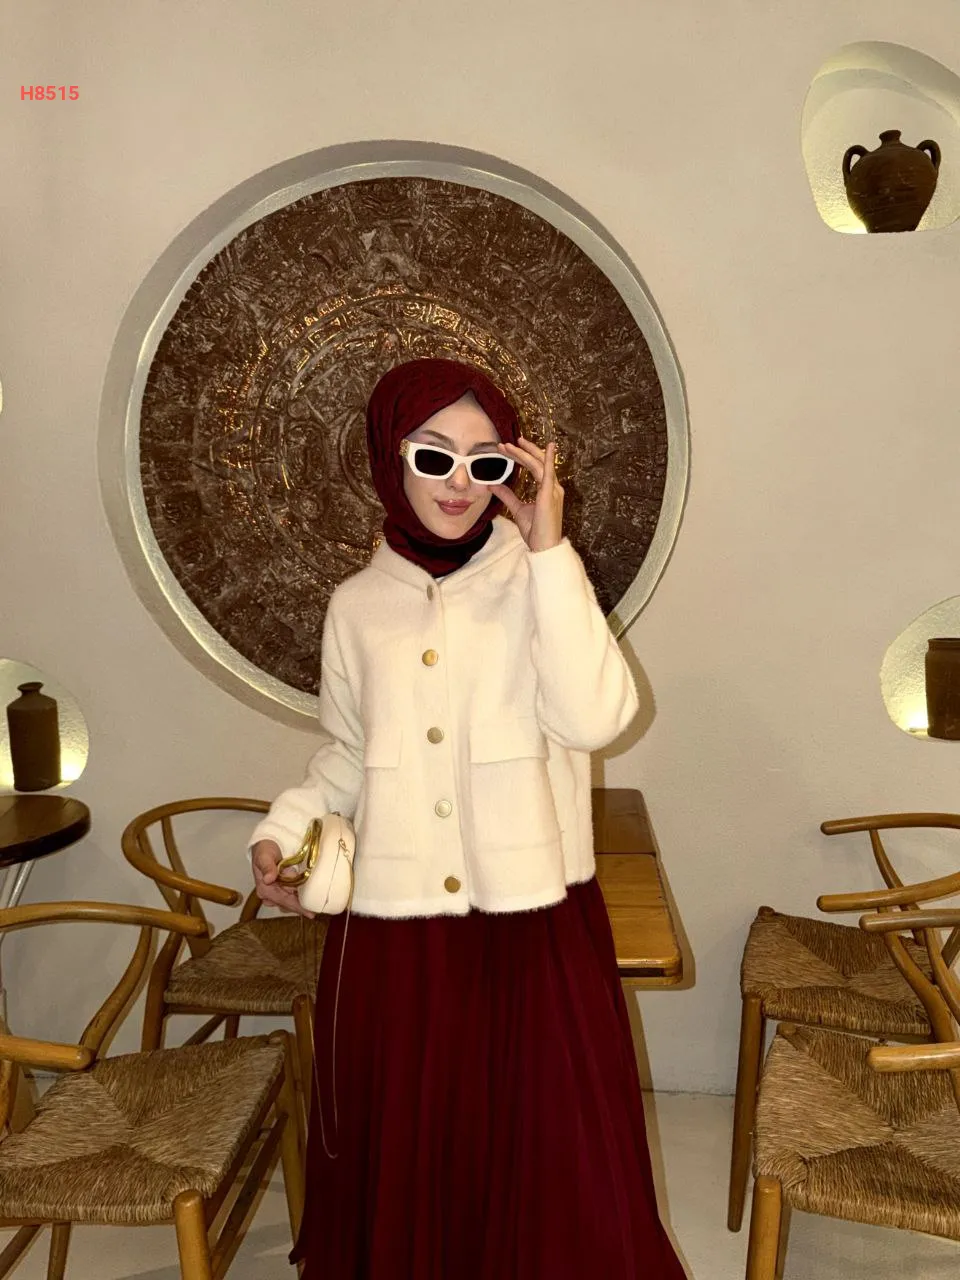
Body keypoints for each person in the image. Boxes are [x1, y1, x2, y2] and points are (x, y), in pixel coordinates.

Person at [249, 358, 685, 1279]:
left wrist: (551, 553)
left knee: (551, 1156)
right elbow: (348, 754)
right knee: (421, 1148)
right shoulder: (355, 608)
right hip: (398, 932)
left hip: (532, 923)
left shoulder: (541, 579)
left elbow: (595, 719)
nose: (459, 483)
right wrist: (284, 830)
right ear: (389, 458)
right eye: (433, 455)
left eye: (486, 462)